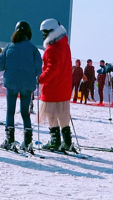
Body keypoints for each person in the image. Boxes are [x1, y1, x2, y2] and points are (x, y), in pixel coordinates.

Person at [0, 20, 42, 152]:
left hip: (12, 84)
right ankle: (27, 142)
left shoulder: (9, 47)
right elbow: (39, 70)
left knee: (10, 111)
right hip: (27, 85)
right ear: (28, 34)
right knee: (25, 113)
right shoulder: (33, 49)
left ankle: (9, 140)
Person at [38, 19, 77, 153]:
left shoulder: (52, 48)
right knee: (63, 115)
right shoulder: (64, 45)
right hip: (64, 87)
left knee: (51, 115)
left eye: (44, 33)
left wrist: (40, 78)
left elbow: (52, 69)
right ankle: (67, 141)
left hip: (53, 88)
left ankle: (55, 141)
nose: (43, 35)